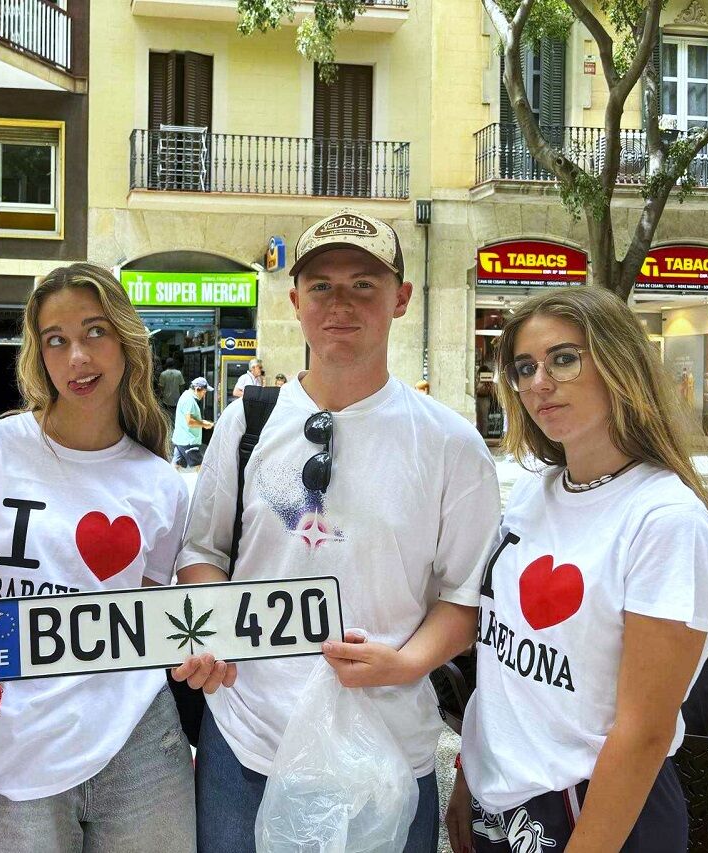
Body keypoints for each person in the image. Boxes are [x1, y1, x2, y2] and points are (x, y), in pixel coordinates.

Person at [174, 209, 501, 853]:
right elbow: (203, 550)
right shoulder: (246, 424)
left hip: (387, 747)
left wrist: (406, 663)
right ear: (295, 301)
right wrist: (214, 633)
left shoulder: (450, 445)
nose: (340, 304)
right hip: (247, 738)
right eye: (321, 286)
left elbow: (465, 598)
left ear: (401, 299)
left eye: (364, 285)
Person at [447, 286, 708, 853]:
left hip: (595, 811)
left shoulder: (665, 520)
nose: (539, 382)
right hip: (499, 802)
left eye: (563, 359)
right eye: (524, 368)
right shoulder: (531, 493)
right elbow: (503, 662)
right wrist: (469, 771)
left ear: (618, 365)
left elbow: (644, 730)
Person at [0, 262, 194, 852]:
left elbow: (148, 622)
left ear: (126, 341)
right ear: (39, 353)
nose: (77, 357)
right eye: (56, 340)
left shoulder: (161, 483)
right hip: (16, 742)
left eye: (95, 332)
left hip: (141, 745)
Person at [447, 605, 708, 852]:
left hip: (540, 811)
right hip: (699, 823)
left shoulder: (549, 604)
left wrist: (467, 770)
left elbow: (501, 684)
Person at [172, 376, 214, 471]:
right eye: (204, 392)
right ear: (197, 389)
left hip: (181, 439)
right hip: (188, 441)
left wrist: (203, 422)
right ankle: (204, 482)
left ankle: (169, 480)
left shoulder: (186, 396)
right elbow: (190, 421)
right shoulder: (189, 400)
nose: (204, 395)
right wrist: (204, 424)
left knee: (176, 466)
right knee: (200, 467)